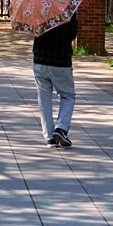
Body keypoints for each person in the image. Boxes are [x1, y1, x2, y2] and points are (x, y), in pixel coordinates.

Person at [33, 16, 78, 147]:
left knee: (44, 97)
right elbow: (71, 34)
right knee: (68, 95)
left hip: (40, 58)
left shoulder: (37, 7)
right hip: (60, 60)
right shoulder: (67, 9)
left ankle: (49, 136)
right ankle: (61, 128)